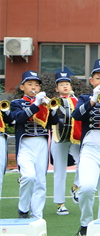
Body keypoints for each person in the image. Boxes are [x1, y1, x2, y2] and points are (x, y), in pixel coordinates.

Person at [72, 59, 100, 236]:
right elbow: (77, 115)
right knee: (86, 187)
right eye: (98, 78)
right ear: (91, 81)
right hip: (90, 149)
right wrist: (93, 100)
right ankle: (86, 222)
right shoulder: (84, 98)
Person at [10, 70, 59, 218]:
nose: (33, 87)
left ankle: (37, 215)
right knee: (28, 176)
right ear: (22, 87)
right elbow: (19, 118)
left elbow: (54, 122)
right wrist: (35, 104)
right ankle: (23, 209)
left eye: (36, 85)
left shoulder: (44, 103)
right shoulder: (17, 103)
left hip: (42, 143)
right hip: (26, 143)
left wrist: (52, 109)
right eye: (29, 84)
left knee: (40, 182)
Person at [50, 70, 81, 216]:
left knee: (84, 162)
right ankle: (60, 203)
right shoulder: (54, 101)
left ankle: (76, 187)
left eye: (67, 84)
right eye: (61, 84)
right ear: (57, 88)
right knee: (59, 170)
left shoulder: (77, 100)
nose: (65, 86)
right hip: (59, 138)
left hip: (74, 137)